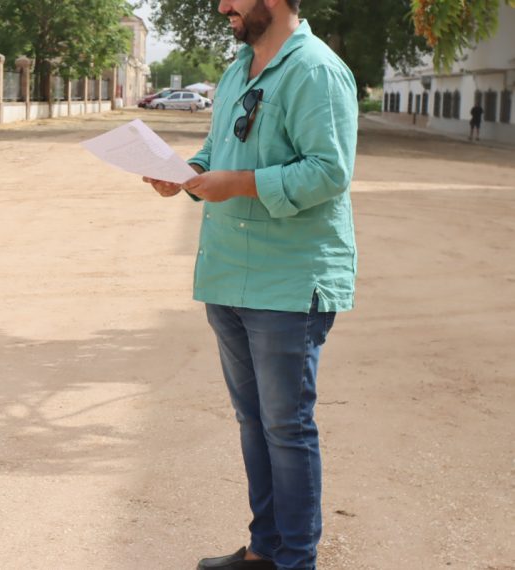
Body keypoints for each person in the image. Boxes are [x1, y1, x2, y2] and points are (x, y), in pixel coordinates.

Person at [142, 1, 357, 569]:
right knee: (254, 423)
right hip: (228, 274)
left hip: (288, 280)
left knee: (286, 428)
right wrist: (183, 176)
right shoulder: (239, 68)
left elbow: (329, 171)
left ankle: (296, 561)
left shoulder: (315, 69)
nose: (222, 6)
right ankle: (266, 551)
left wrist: (237, 183)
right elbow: (218, 152)